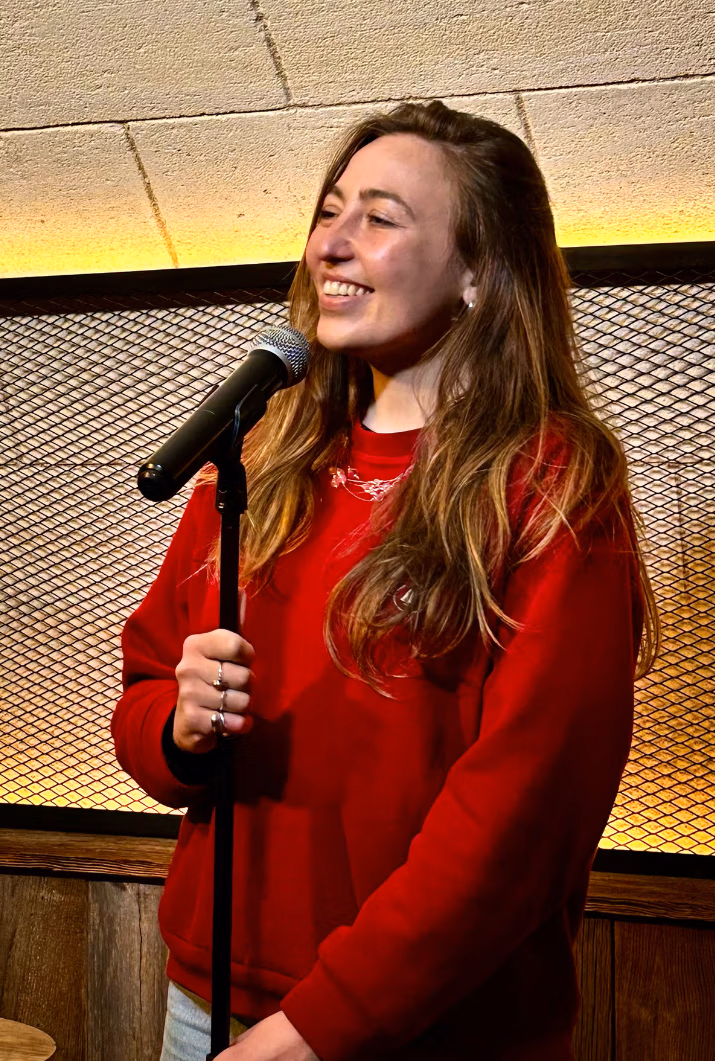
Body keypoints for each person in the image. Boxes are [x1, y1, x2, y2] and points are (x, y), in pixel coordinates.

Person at [112, 100, 659, 1061]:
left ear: (480, 271)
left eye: (380, 217)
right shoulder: (259, 460)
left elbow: (520, 821)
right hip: (209, 996)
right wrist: (177, 727)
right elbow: (145, 688)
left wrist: (314, 1030)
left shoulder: (552, 483)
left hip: (425, 1024)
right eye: (330, 212)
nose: (332, 243)